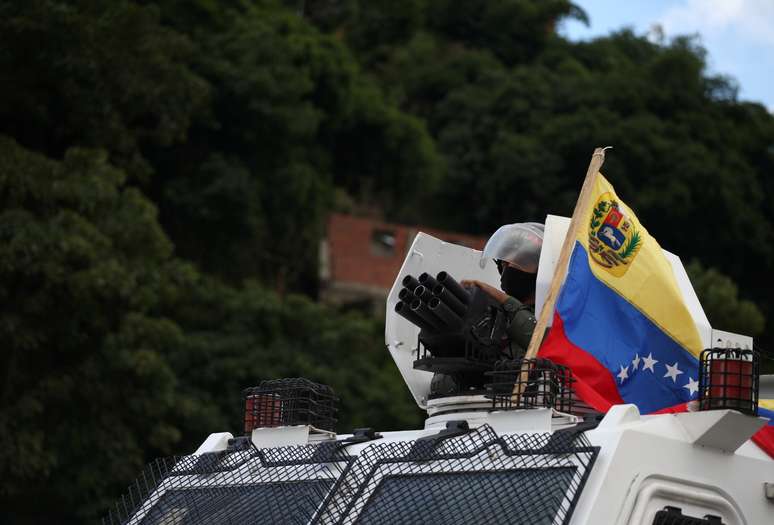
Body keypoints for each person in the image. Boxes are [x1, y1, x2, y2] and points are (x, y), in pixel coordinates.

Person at [462, 222, 543, 359]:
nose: (509, 266)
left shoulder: (553, 317)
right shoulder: (495, 314)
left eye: (521, 261)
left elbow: (539, 338)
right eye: (504, 263)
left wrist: (500, 297)